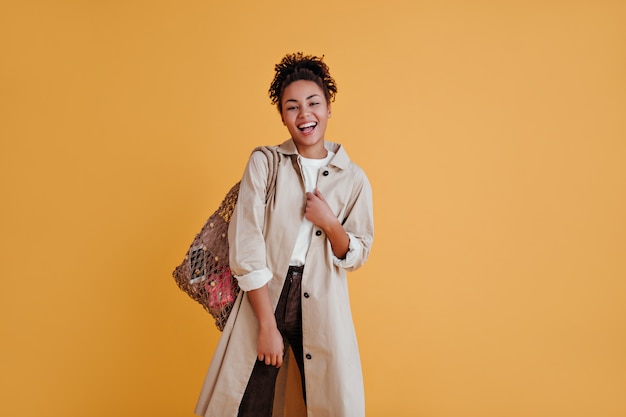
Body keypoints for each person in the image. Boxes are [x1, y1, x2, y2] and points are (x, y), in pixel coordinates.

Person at [194, 52, 374, 417]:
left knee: (328, 401)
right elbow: (246, 245)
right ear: (282, 116)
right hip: (266, 294)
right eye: (292, 107)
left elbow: (356, 253)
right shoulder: (265, 162)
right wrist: (266, 325)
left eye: (313, 103)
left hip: (323, 302)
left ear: (328, 107)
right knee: (247, 402)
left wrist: (329, 222)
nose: (304, 114)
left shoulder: (353, 178)